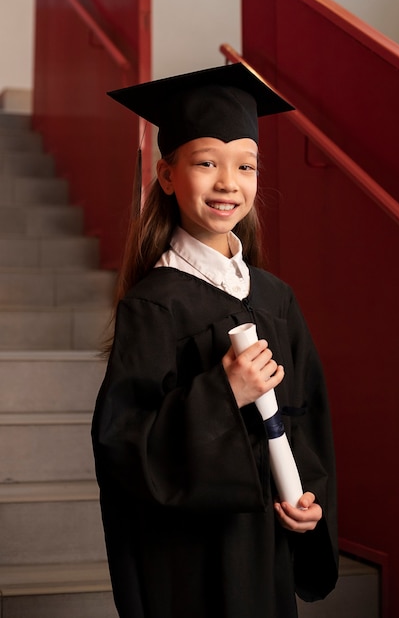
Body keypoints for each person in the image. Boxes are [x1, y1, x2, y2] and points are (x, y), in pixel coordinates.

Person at [92, 62, 338, 618]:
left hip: (266, 539)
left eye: (246, 166)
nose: (229, 182)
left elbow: (307, 421)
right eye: (207, 162)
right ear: (168, 174)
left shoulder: (276, 299)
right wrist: (224, 391)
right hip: (191, 554)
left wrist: (307, 501)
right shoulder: (156, 302)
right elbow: (125, 445)